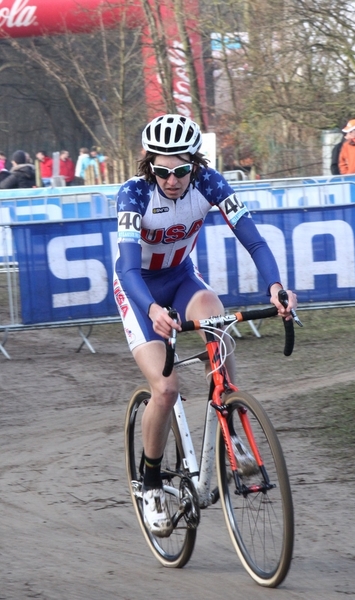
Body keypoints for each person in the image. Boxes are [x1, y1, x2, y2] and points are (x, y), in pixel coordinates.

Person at [113, 114, 297, 537]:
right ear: (149, 165)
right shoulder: (133, 194)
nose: (172, 180)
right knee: (166, 388)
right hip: (138, 289)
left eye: (180, 170)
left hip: (181, 279)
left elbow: (254, 240)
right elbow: (126, 268)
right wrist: (152, 311)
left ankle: (231, 426)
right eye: (162, 170)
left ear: (194, 164)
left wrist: (275, 286)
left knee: (217, 317)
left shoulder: (211, 183)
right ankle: (153, 483)